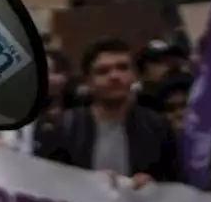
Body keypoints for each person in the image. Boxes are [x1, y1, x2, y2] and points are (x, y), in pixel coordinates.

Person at [50, 37, 183, 186]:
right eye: (103, 71)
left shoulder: (157, 127)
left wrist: (153, 186)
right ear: (89, 82)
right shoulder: (67, 127)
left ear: (133, 76)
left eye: (122, 68)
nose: (114, 76)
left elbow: (176, 186)